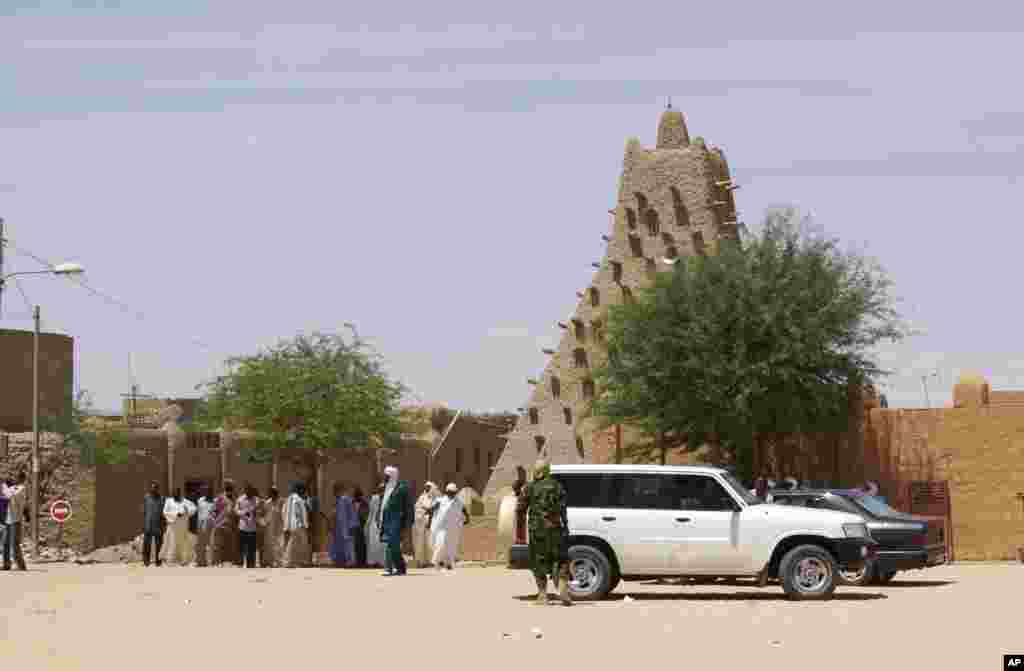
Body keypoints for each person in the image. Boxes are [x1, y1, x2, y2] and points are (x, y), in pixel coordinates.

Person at [517, 458, 572, 606]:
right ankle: (562, 585)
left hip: (537, 530)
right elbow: (563, 509)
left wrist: (520, 528)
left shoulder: (530, 487)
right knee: (560, 558)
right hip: (556, 528)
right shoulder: (558, 486)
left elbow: (520, 510)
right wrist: (565, 526)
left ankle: (542, 595)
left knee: (538, 560)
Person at [378, 465, 410, 576]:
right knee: (391, 545)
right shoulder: (386, 488)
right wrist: (380, 518)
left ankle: (394, 568)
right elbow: (383, 505)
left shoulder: (401, 488)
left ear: (392, 476)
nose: (384, 478)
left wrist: (407, 522)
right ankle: (399, 568)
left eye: (386, 476)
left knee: (392, 545)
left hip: (396, 521)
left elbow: (407, 506)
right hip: (387, 521)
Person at [430, 483, 469, 572]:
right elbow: (433, 508)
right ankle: (438, 562)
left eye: (454, 492)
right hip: (442, 527)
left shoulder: (458, 501)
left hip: (453, 527)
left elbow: (464, 509)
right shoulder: (440, 500)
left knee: (451, 546)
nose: (452, 494)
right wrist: (428, 510)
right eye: (450, 492)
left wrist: (467, 517)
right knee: (441, 544)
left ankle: (448, 564)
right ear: (447, 492)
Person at [161, 488, 197, 566]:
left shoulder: (185, 501)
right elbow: (165, 512)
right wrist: (175, 514)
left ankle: (183, 560)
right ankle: (170, 559)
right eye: (174, 493)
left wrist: (187, 511)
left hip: (183, 527)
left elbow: (194, 509)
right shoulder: (168, 501)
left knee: (183, 543)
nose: (175, 495)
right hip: (173, 526)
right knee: (171, 543)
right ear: (172, 494)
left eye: (177, 493)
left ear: (179, 493)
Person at [281, 481, 311, 568]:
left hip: (290, 525)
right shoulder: (299, 499)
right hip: (298, 525)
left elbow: (283, 512)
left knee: (294, 543)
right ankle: (290, 562)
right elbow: (302, 513)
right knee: (297, 544)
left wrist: (286, 524)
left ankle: (293, 561)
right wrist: (305, 525)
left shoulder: (288, 499)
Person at [2, 473, 28, 571]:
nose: (14, 479)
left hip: (16, 519)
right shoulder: (13, 488)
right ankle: (6, 564)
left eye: (16, 477)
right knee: (5, 543)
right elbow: (5, 495)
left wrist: (4, 484)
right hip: (8, 519)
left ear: (21, 479)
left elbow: (8, 495)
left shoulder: (21, 488)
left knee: (14, 543)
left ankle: (21, 565)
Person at [211, 481, 239, 566]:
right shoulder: (220, 498)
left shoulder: (235, 498)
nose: (230, 489)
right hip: (220, 525)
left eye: (231, 487)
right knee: (218, 545)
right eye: (228, 487)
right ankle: (216, 562)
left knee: (231, 545)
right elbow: (214, 510)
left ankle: (230, 562)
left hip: (231, 525)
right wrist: (214, 521)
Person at [329, 483, 357, 567]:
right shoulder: (340, 500)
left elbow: (348, 514)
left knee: (347, 544)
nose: (333, 493)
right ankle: (341, 560)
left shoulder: (345, 499)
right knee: (339, 544)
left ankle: (350, 561)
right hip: (340, 527)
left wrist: (350, 526)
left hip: (345, 527)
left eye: (335, 490)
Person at [413, 482, 439, 568]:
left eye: (428, 487)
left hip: (431, 523)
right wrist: (425, 510)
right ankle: (420, 561)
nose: (426, 488)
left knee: (429, 542)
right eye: (426, 487)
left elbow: (433, 510)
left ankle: (431, 561)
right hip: (420, 523)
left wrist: (428, 511)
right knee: (420, 542)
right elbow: (417, 507)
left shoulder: (436, 498)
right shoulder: (422, 497)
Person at [141, 480, 166, 568]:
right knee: (147, 544)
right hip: (148, 524)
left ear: (158, 489)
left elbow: (164, 512)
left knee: (159, 544)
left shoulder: (162, 498)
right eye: (152, 487)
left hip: (158, 525)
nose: (154, 489)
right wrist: (144, 523)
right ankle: (146, 560)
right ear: (150, 489)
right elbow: (144, 511)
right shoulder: (146, 497)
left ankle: (158, 560)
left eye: (155, 488)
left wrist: (163, 524)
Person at [236, 483, 260, 569]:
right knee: (241, 547)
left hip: (253, 527)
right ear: (245, 491)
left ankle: (251, 564)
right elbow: (236, 510)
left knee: (252, 548)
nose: (249, 492)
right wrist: (244, 513)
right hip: (242, 526)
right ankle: (240, 563)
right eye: (247, 490)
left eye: (250, 491)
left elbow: (258, 510)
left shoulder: (256, 500)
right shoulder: (240, 499)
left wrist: (254, 512)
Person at [260, 487, 283, 568]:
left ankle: (278, 562)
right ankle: (268, 562)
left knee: (279, 544)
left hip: (279, 526)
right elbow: (263, 514)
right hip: (269, 526)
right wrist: (263, 522)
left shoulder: (281, 502)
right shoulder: (267, 503)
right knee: (269, 545)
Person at [194, 485, 216, 567]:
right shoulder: (200, 500)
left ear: (211, 492)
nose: (207, 493)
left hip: (211, 525)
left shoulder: (215, 502)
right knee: (200, 544)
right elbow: (199, 512)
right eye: (205, 491)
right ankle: (200, 562)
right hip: (200, 524)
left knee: (210, 544)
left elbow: (216, 514)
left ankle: (209, 562)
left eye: (208, 491)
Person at [365, 483, 386, 568]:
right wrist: (367, 524)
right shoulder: (374, 498)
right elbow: (371, 512)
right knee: (373, 543)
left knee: (382, 544)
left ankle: (381, 562)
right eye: (380, 489)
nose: (382, 491)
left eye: (383, 489)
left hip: (383, 523)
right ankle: (372, 562)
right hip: (373, 523)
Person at [352, 487, 369, 567]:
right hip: (354, 526)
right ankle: (357, 561)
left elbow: (366, 514)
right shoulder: (352, 502)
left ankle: (362, 561)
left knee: (362, 544)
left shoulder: (364, 503)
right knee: (356, 544)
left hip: (362, 526)